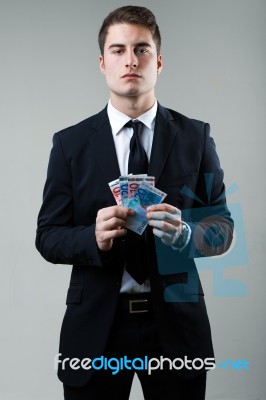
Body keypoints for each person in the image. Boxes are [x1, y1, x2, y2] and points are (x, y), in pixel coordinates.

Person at [36, 5, 233, 400]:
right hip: (96, 330)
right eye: (118, 49)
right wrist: (93, 238)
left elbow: (223, 228)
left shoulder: (196, 138)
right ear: (102, 62)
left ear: (158, 62)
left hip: (176, 329)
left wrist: (188, 234)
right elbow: (48, 236)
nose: (130, 60)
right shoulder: (70, 144)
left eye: (142, 49)